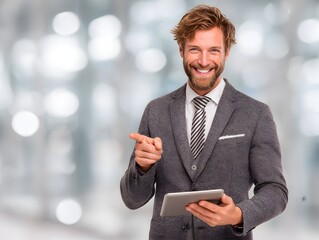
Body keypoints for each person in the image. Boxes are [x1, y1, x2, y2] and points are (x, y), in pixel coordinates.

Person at [120, 4, 288, 240]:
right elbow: (132, 199)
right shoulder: (156, 111)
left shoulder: (255, 114)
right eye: (195, 50)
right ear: (181, 50)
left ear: (227, 52)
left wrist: (238, 214)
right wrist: (142, 168)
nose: (203, 61)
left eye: (214, 51)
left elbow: (275, 190)